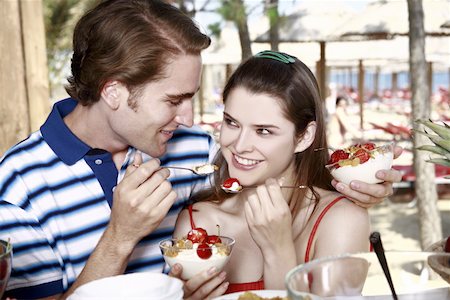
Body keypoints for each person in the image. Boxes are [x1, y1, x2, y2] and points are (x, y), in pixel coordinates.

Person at [0, 1, 401, 298]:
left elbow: (271, 161)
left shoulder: (194, 149)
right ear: (114, 92)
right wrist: (120, 237)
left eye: (193, 97)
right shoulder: (17, 185)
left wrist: (357, 181)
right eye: (174, 100)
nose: (190, 118)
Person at [173, 51, 383, 294]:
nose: (239, 145)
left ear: (304, 136)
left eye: (263, 131)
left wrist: (278, 251)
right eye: (232, 122)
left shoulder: (341, 220)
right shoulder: (198, 221)